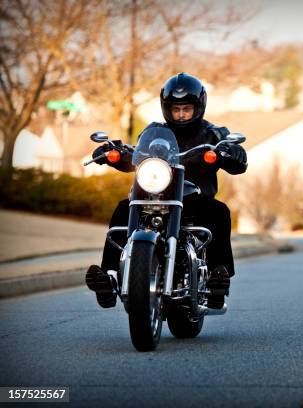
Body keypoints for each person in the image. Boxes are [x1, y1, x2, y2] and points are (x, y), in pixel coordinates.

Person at [85, 72, 247, 309]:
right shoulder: (154, 132)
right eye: (176, 109)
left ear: (198, 107)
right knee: (123, 208)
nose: (181, 114)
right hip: (153, 195)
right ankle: (109, 277)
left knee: (219, 211)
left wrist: (233, 154)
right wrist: (114, 153)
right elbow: (136, 154)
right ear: (166, 108)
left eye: (186, 108)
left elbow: (233, 158)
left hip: (193, 200)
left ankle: (217, 280)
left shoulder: (212, 133)